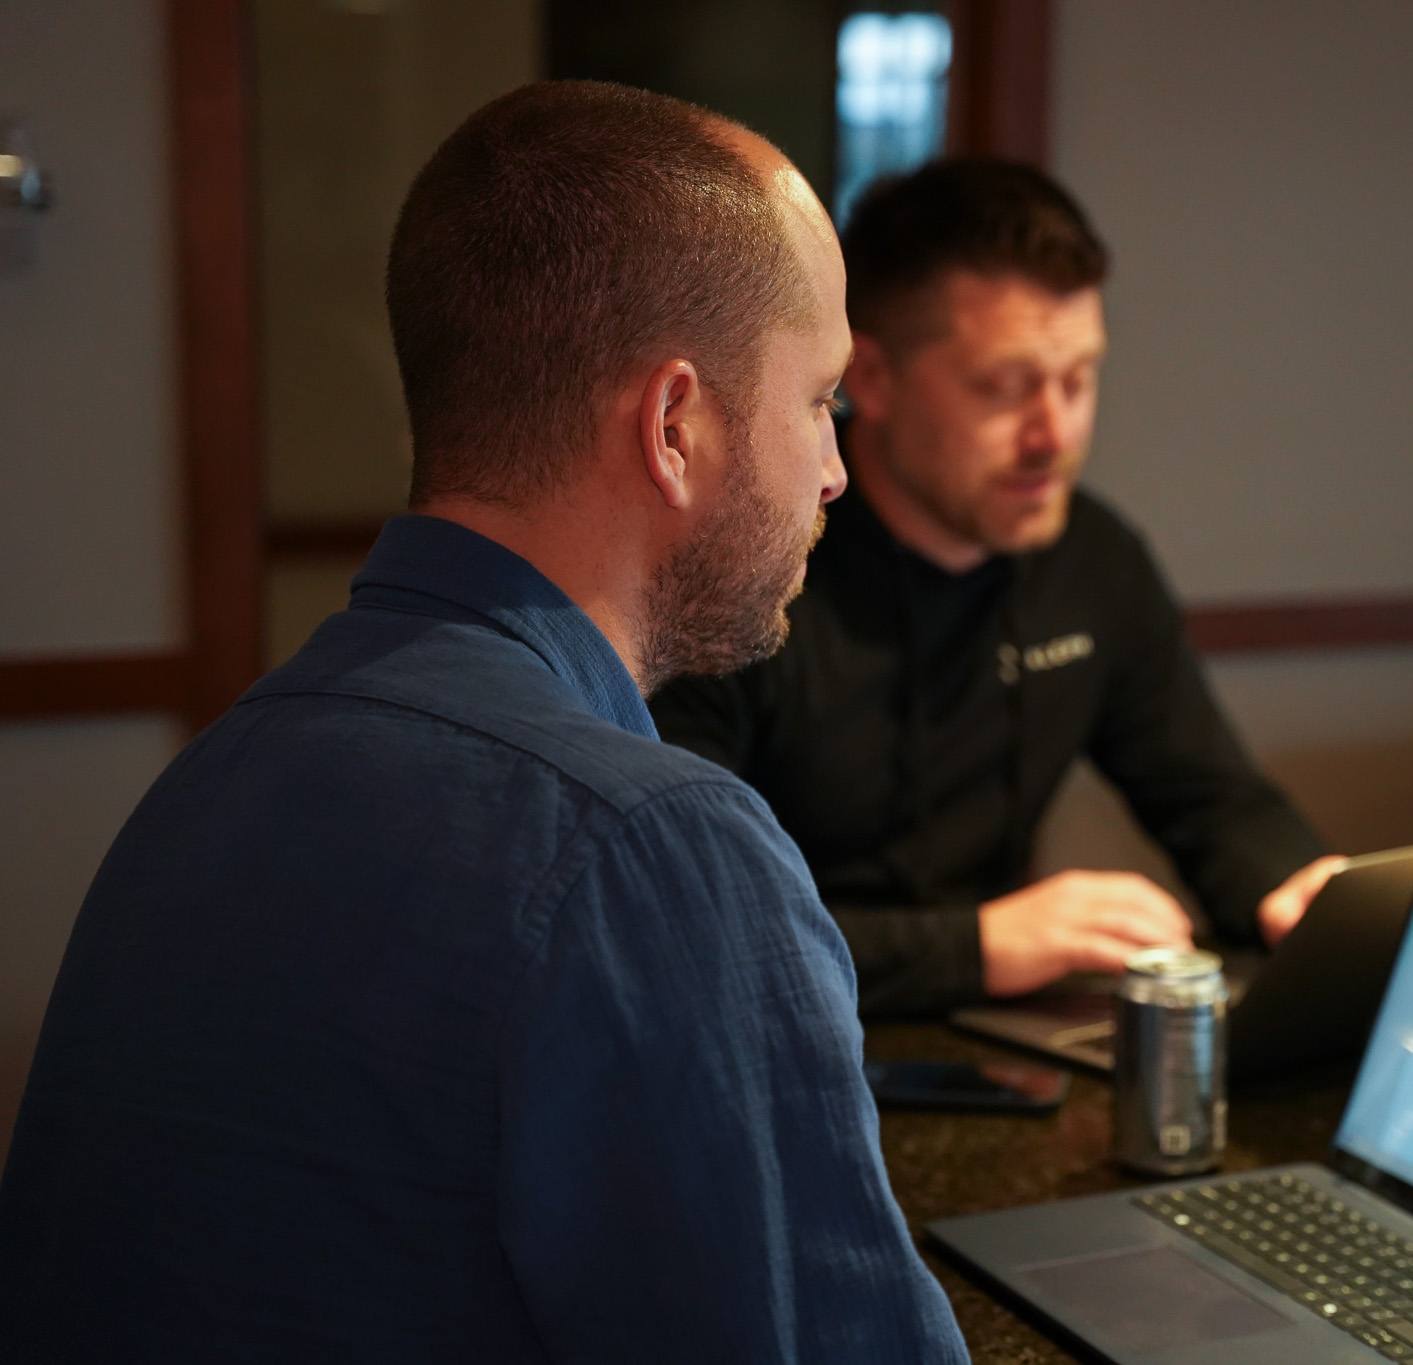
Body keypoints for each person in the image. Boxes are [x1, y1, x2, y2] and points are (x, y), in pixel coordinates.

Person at [0, 82, 968, 1360]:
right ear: (674, 424)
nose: (837, 469)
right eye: (818, 401)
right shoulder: (655, 852)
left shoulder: (214, 778)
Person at [649, 160, 1353, 1018]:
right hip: (767, 1040)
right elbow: (689, 919)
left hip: (997, 1047)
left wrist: (1308, 896)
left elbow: (1211, 796)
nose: (1052, 436)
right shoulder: (747, 571)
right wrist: (980, 946)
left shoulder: (1092, 559)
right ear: (866, 379)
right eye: (1005, 388)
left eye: (1079, 379)